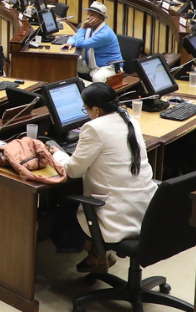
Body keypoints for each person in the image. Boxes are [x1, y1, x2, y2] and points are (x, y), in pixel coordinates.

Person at [47, 82, 156, 273]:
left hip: (116, 216)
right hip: (145, 210)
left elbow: (73, 171)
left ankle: (97, 251)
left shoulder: (94, 128)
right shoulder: (130, 120)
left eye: (86, 108)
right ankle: (97, 256)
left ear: (96, 110)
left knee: (63, 205)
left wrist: (57, 153)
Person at [62, 2, 122, 84]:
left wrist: (82, 27)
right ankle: (77, 89)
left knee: (97, 77)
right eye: (88, 14)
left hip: (108, 67)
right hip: (90, 64)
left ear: (101, 18)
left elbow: (80, 43)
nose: (88, 17)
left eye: (92, 15)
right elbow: (75, 37)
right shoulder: (90, 27)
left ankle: (93, 95)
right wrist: (70, 43)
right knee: (67, 64)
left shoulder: (104, 34)